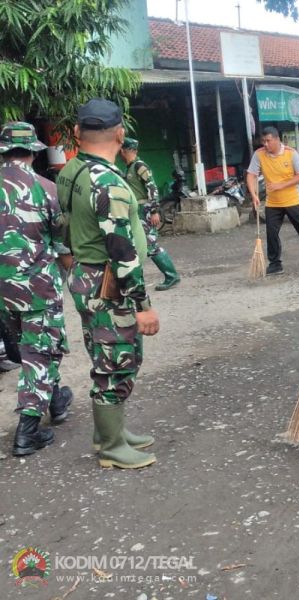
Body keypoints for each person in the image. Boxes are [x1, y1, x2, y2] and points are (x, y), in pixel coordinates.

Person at [56, 98, 160, 469]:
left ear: (77, 133)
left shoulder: (71, 171)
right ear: (119, 133)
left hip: (85, 274)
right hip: (107, 283)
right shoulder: (109, 183)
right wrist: (143, 306)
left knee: (105, 354)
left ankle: (109, 432)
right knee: (117, 359)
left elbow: (63, 226)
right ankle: (112, 447)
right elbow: (122, 250)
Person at [0, 121, 74, 456]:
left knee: (34, 348)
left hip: (3, 291)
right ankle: (27, 431)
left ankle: (56, 400)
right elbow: (61, 244)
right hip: (37, 288)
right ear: (33, 150)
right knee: (39, 353)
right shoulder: (47, 188)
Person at [245, 126, 299, 275]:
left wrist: (280, 185)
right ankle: (275, 263)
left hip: (293, 200)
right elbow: (251, 175)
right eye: (263, 141)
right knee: (271, 233)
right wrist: (254, 195)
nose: (265, 144)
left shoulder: (291, 153)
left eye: (268, 141)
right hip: (272, 202)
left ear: (277, 139)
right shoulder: (259, 154)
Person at [119, 137, 181, 291]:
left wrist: (154, 211)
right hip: (137, 211)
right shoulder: (129, 167)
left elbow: (152, 188)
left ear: (124, 151)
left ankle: (172, 276)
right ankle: (136, 280)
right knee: (136, 245)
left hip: (145, 210)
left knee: (151, 245)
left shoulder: (139, 166)